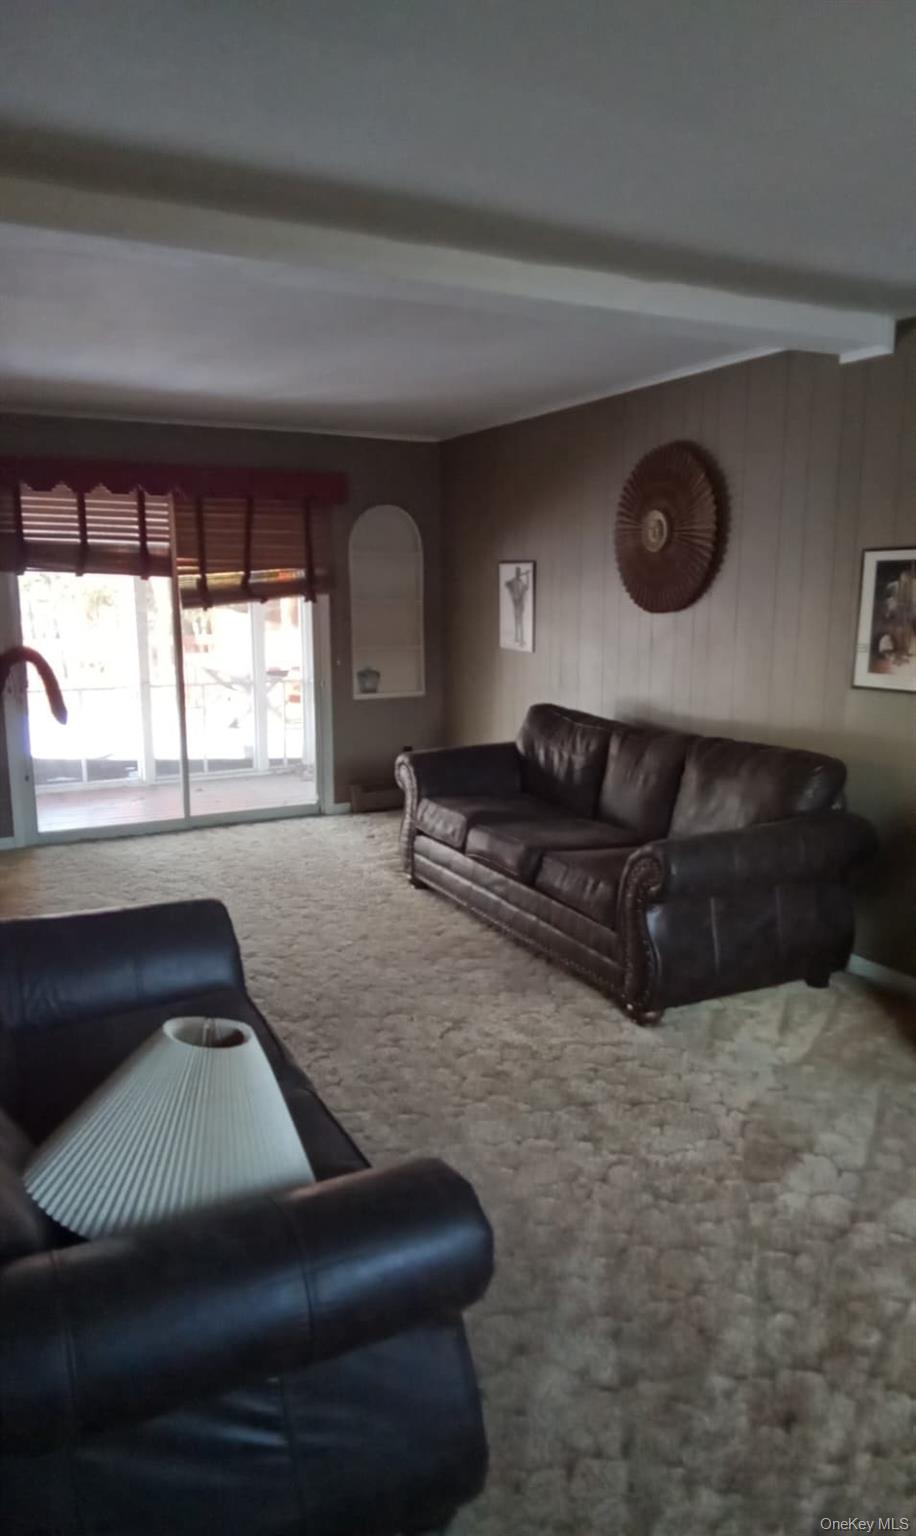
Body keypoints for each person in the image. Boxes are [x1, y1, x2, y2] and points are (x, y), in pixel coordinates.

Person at [505, 565, 530, 646]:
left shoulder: (521, 582)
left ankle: (519, 639)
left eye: (518, 572)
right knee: (518, 621)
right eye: (517, 572)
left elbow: (527, 587)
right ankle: (519, 640)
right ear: (516, 573)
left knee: (519, 621)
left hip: (519, 604)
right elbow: (506, 584)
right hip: (516, 604)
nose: (518, 574)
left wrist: (527, 576)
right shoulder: (514, 581)